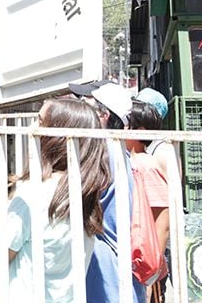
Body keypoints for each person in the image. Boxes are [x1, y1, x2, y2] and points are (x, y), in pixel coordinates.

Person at [0, 97, 110, 302]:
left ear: (57, 137)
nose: (32, 128)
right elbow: (35, 239)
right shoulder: (83, 194)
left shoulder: (32, 193)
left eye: (40, 121)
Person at [69, 80, 146, 303]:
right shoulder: (116, 150)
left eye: (88, 106)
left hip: (104, 270)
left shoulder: (102, 152)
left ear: (103, 116)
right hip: (114, 268)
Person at [125, 101, 170, 301]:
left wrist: (151, 274)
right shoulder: (129, 161)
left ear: (139, 131)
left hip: (142, 269)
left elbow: (162, 222)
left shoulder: (146, 166)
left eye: (126, 123)